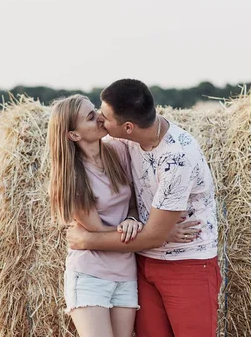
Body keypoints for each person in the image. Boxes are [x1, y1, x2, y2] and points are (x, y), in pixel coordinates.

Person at [66, 79, 221, 337]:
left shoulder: (177, 158)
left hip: (187, 262)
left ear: (128, 126)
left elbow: (156, 235)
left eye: (105, 117)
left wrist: (87, 240)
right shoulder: (126, 142)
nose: (101, 120)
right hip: (143, 263)